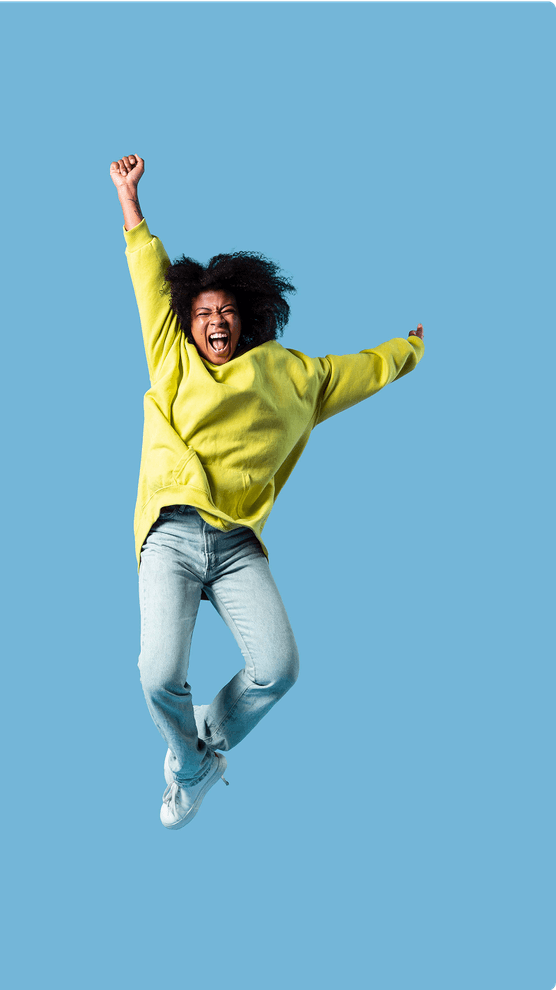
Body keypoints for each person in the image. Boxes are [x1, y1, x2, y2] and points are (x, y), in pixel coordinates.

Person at [110, 153, 425, 831]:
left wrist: (411, 350)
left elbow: (363, 370)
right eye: (202, 314)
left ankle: (200, 754)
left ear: (245, 318)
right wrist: (131, 203)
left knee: (278, 667)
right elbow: (146, 281)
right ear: (188, 325)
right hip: (171, 532)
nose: (214, 322)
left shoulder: (292, 376)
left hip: (236, 544)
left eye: (225, 312)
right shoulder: (174, 362)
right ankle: (190, 763)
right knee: (157, 675)